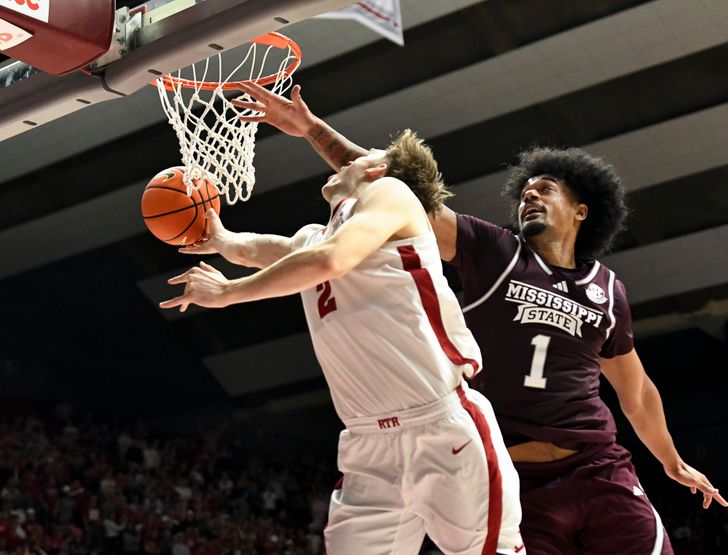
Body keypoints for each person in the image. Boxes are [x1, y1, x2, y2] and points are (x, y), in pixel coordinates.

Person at [236, 83, 728, 554]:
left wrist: (671, 460)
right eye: (525, 192)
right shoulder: (495, 250)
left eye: (545, 189)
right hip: (517, 480)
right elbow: (393, 187)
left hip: (598, 468)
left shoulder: (607, 288)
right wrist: (311, 129)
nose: (529, 196)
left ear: (581, 211)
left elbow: (636, 390)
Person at [160, 126, 526, 555]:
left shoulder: (391, 193)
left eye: (363, 154)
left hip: (440, 426)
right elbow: (261, 248)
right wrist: (218, 237)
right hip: (367, 443)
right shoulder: (317, 236)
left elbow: (330, 261)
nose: (349, 158)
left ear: (377, 169)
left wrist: (228, 293)